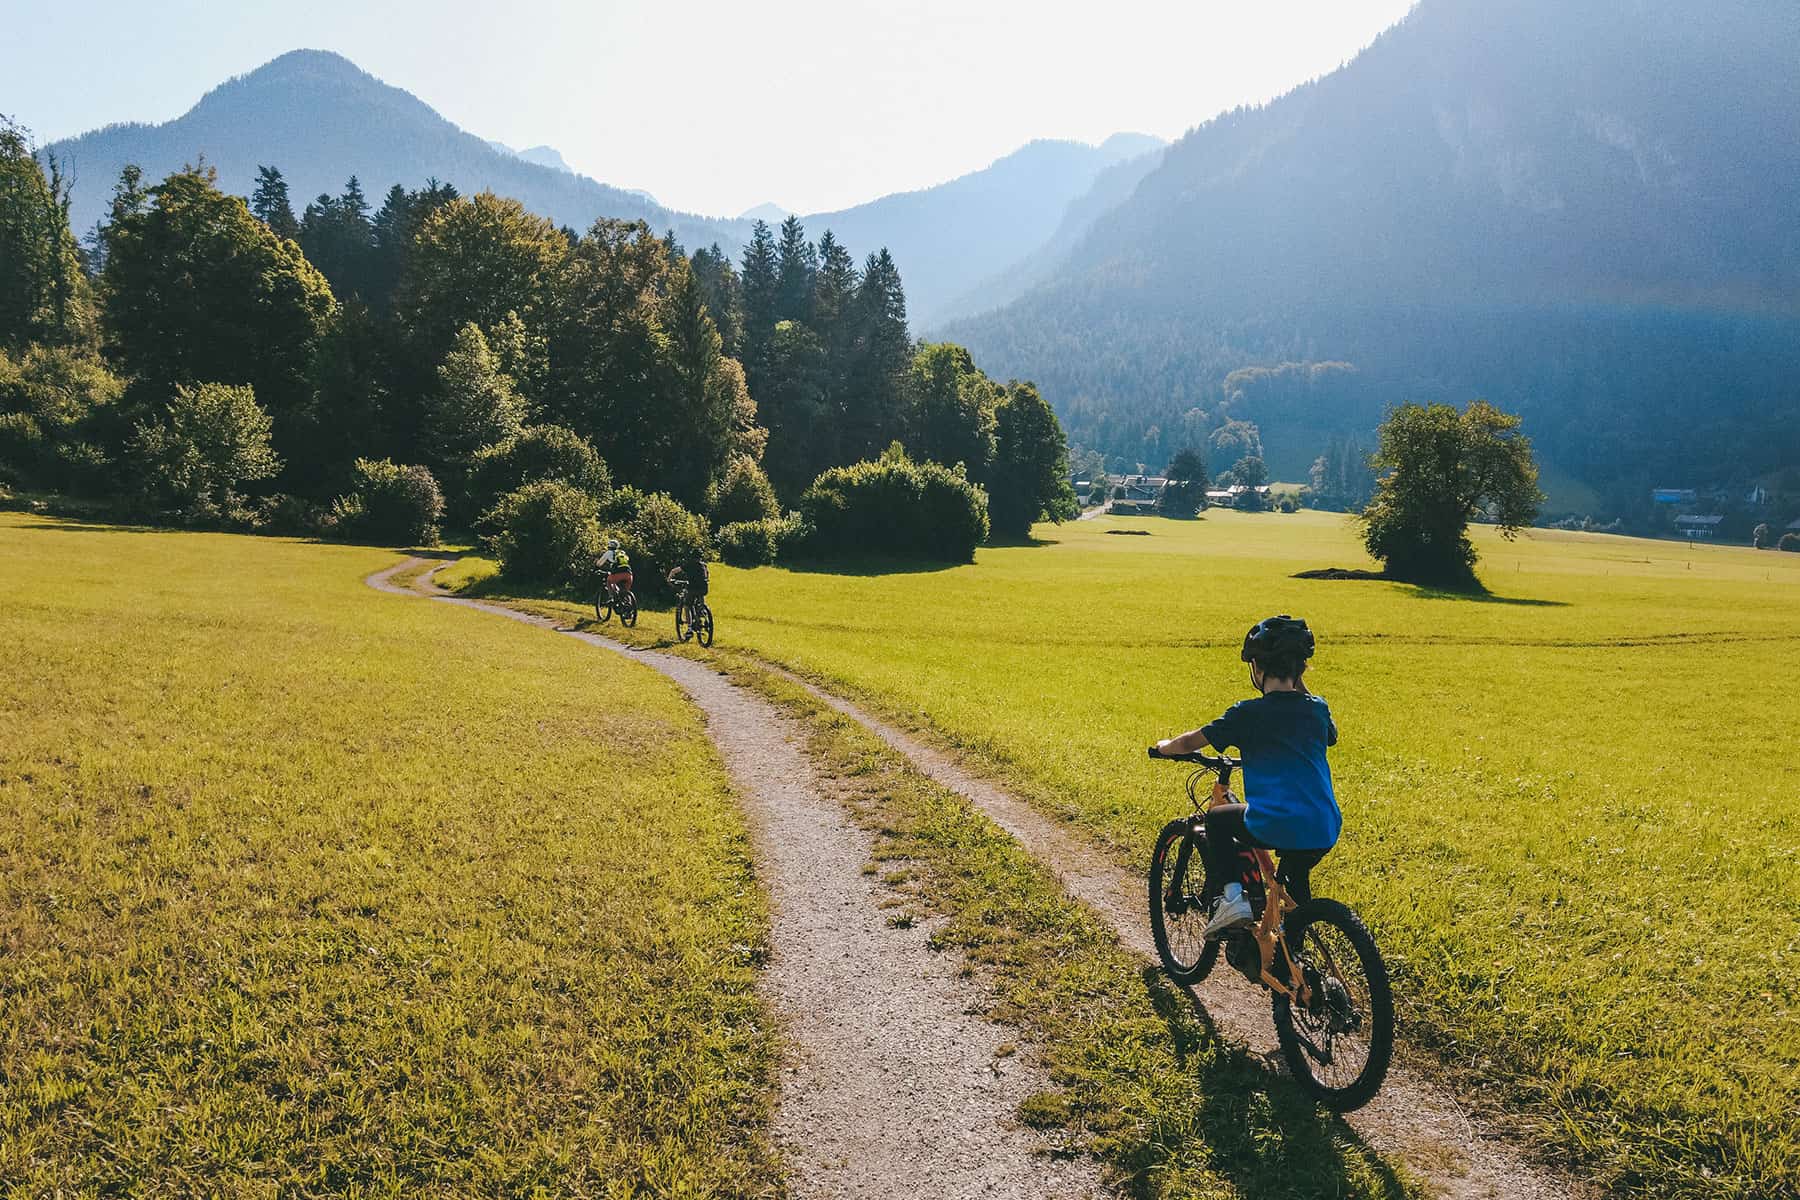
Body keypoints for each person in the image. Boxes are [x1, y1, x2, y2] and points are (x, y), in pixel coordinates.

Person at [1153, 615, 1340, 937]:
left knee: (1216, 820)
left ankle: (1232, 899)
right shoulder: (1317, 709)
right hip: (1324, 825)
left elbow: (1189, 742)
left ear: (1256, 667)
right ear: (1301, 668)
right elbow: (1330, 735)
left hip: (1274, 823)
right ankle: (1293, 963)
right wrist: (1299, 681)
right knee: (1295, 891)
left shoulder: (1247, 714)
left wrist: (1165, 746)